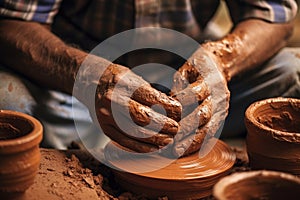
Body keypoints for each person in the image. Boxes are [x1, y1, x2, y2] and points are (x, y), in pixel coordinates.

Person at [0, 0, 299, 156]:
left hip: (189, 72)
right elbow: (12, 24)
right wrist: (91, 77)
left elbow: (275, 15)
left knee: (291, 71)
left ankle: (183, 132)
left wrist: (223, 59)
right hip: (74, 79)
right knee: (7, 99)